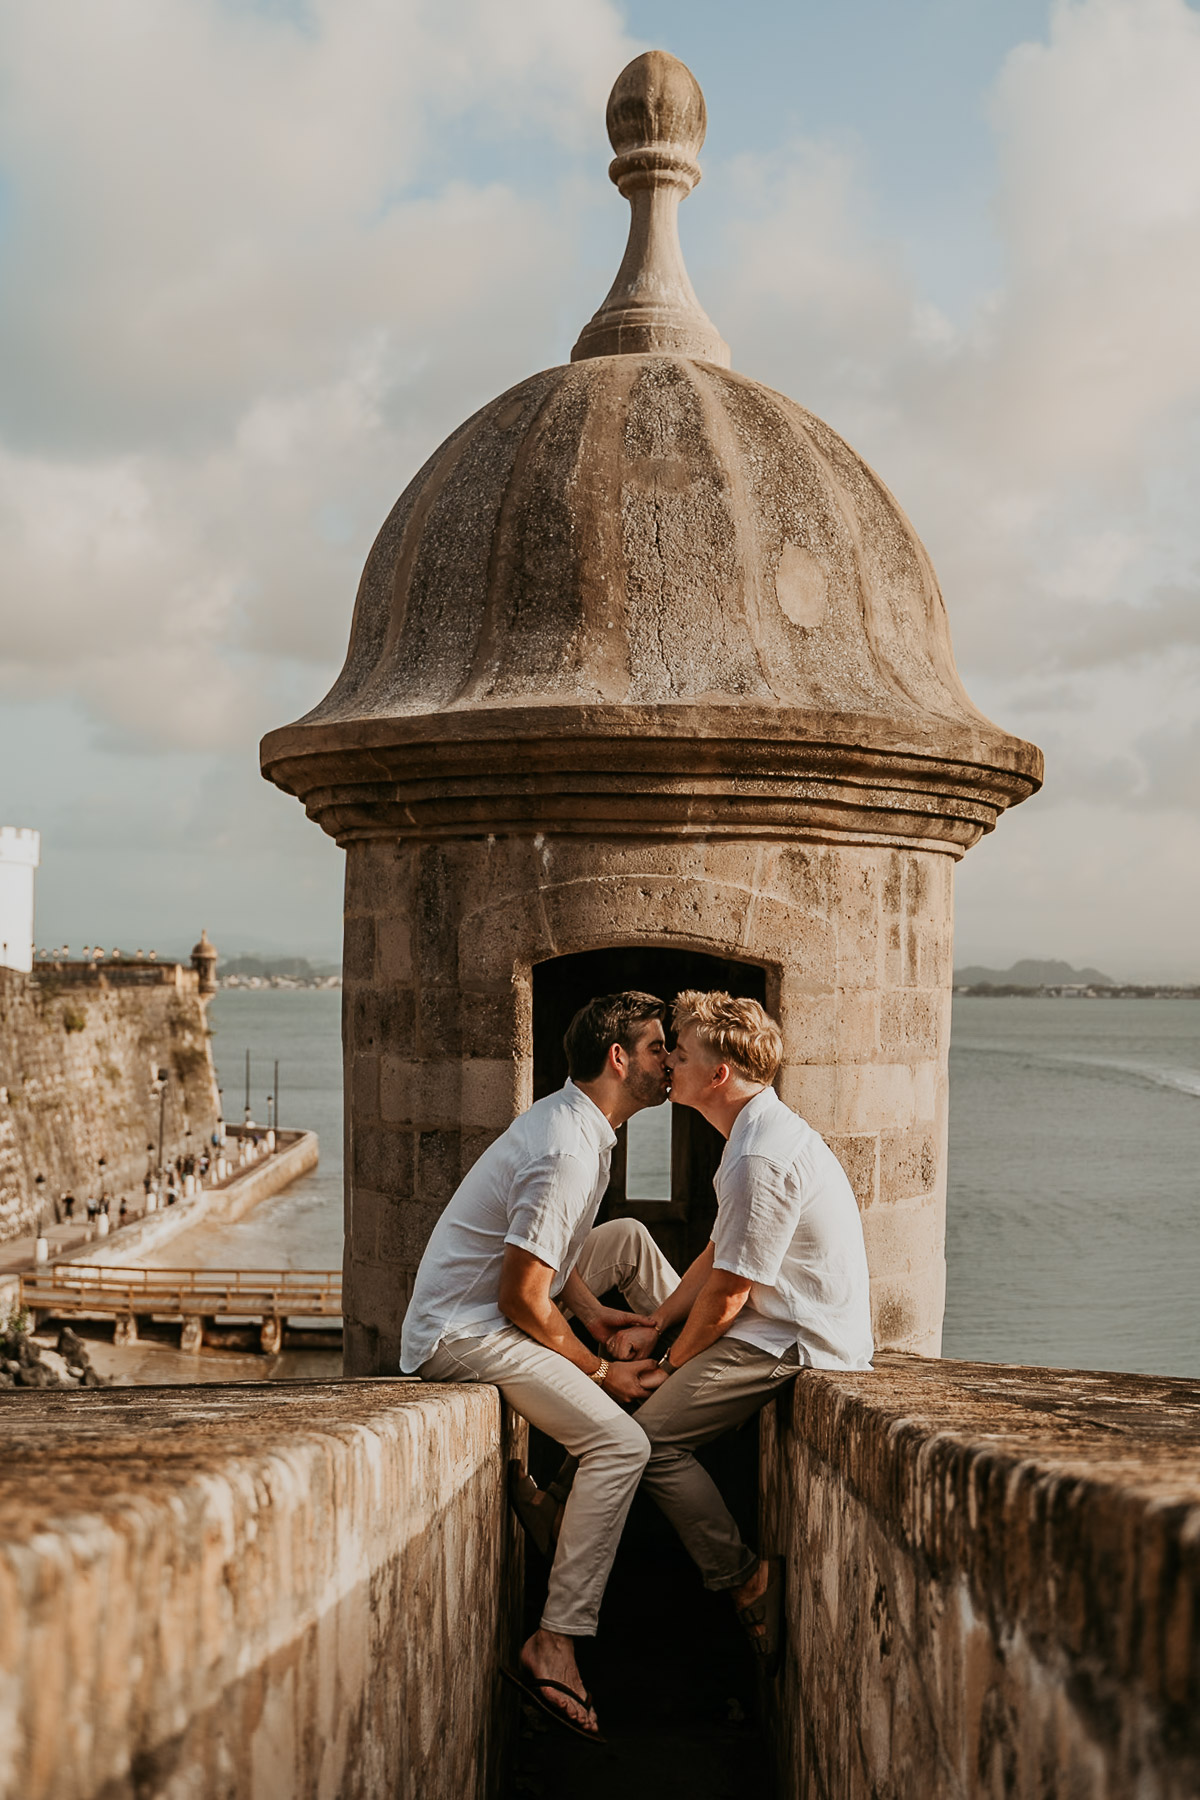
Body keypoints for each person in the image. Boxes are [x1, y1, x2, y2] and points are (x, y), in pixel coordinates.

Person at [515, 990, 874, 1676]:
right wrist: (653, 1327)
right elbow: (716, 1254)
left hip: (793, 1336)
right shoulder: (752, 1135)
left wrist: (669, 1360)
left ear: (718, 1076)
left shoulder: (758, 1156)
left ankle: (744, 1581)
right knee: (634, 1258)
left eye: (682, 1052)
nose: (669, 1059)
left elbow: (731, 1294)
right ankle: (559, 1503)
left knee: (648, 1441)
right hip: (763, 1317)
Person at [401, 991, 672, 1743]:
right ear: (619, 1058)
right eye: (658, 1048)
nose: (670, 1061)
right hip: (463, 1332)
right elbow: (522, 1295)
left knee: (628, 1239)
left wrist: (590, 1310)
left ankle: (684, 1362)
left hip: (499, 1304)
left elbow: (550, 1258)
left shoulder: (584, 1126)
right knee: (622, 1445)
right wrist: (596, 1370)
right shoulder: (566, 1148)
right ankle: (555, 1639)